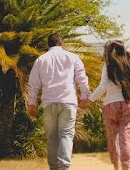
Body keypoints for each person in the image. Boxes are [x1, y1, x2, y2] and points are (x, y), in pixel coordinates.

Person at [26, 33, 91, 170]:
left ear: (47, 46)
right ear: (63, 44)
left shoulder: (41, 60)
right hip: (68, 103)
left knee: (51, 138)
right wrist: (85, 97)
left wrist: (31, 103)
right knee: (66, 135)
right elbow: (82, 79)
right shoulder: (73, 58)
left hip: (49, 104)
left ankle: (54, 168)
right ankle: (64, 167)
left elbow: (33, 84)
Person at [85, 40, 130, 170]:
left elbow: (103, 86)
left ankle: (116, 168)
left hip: (111, 105)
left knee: (112, 139)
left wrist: (89, 100)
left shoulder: (108, 66)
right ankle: (126, 167)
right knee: (127, 139)